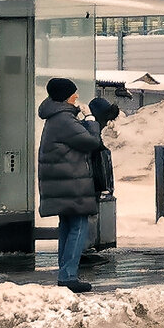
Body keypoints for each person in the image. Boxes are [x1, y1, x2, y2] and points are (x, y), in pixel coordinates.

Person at [37, 77, 103, 294]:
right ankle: (68, 275)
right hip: (71, 181)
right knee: (78, 226)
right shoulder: (64, 119)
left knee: (67, 225)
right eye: (74, 93)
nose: (77, 97)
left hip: (62, 181)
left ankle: (66, 273)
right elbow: (92, 142)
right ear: (66, 96)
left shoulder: (56, 118)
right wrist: (92, 121)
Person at [83, 98, 121, 258]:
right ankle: (85, 250)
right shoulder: (91, 130)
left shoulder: (93, 130)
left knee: (89, 214)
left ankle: (86, 248)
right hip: (88, 181)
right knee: (88, 215)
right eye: (106, 119)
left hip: (90, 181)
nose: (107, 124)